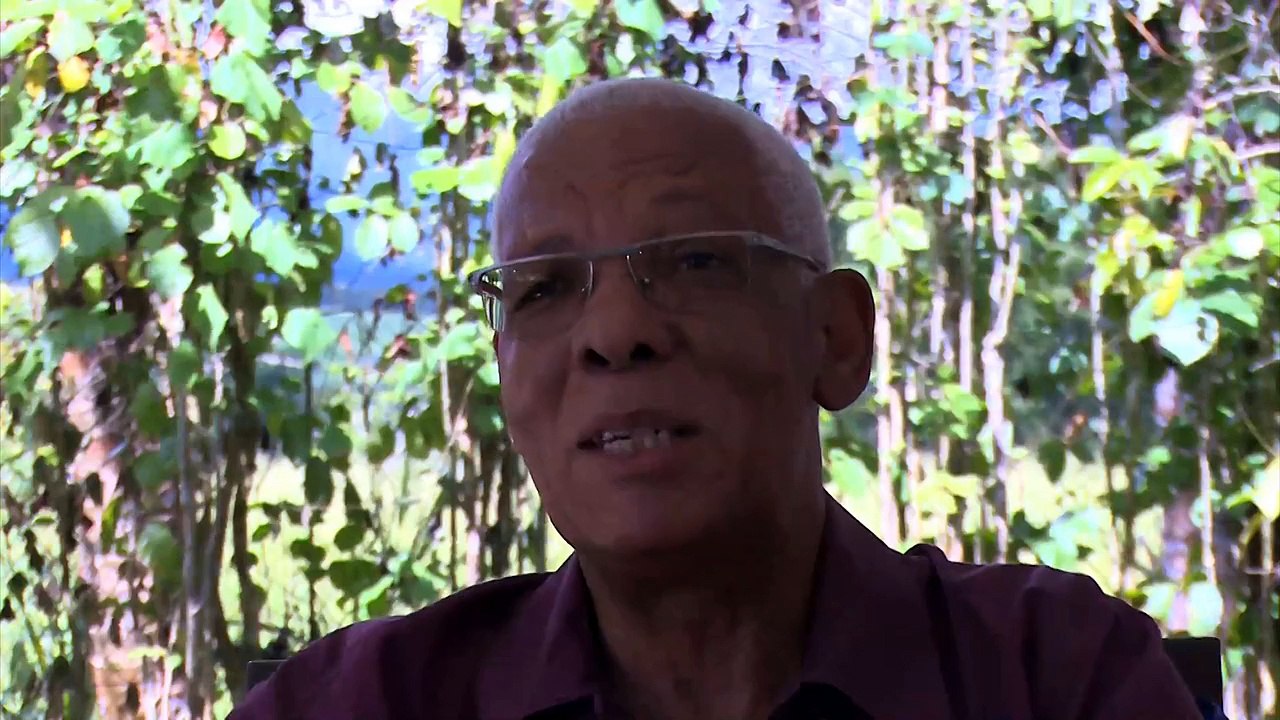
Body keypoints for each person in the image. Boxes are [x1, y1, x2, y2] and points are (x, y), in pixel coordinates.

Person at [232, 78, 1206, 720]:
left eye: (695, 262)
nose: (615, 332)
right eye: (543, 288)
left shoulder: (1050, 677)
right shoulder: (367, 702)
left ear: (834, 338)